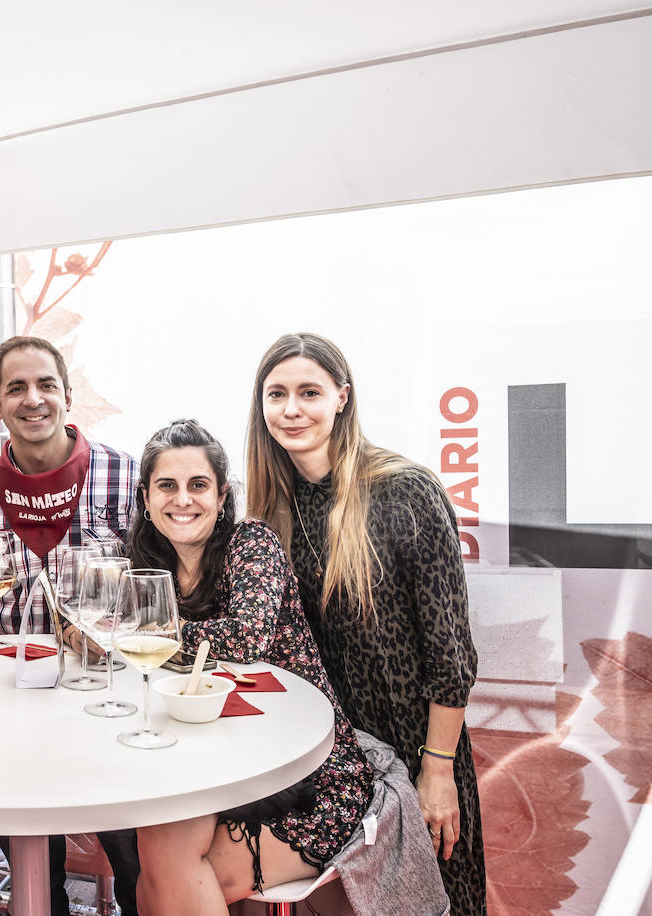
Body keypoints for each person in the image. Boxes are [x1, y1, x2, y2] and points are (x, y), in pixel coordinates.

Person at [246, 332, 486, 915]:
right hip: (332, 769)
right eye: (276, 394)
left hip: (416, 752)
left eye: (309, 392)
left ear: (342, 397)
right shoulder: (268, 508)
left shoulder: (406, 492)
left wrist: (437, 770)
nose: (292, 409)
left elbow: (450, 660)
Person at [0, 335, 141, 916]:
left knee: (136, 860)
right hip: (12, 706)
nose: (33, 399)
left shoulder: (125, 477)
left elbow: (153, 589)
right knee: (35, 873)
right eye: (17, 387)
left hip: (106, 704)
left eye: (46, 385)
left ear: (68, 396)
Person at [127, 420, 375, 914]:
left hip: (299, 768)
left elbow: (245, 640)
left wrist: (137, 638)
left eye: (198, 485)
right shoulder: (145, 566)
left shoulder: (251, 542)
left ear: (221, 497)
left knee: (166, 873)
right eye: (167, 486)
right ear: (146, 498)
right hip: (204, 760)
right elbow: (110, 640)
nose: (183, 500)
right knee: (154, 856)